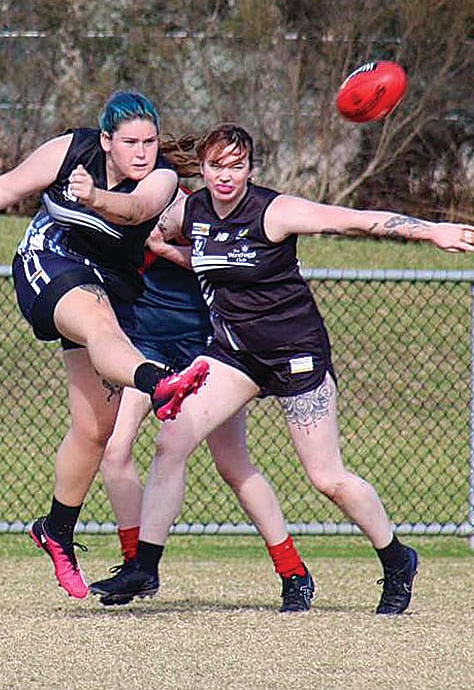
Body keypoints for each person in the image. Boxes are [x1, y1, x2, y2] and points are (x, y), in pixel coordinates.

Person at [88, 123, 474, 614]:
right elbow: (149, 228)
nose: (226, 176)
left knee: (327, 478)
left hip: (295, 354)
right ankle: (145, 566)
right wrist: (114, 219)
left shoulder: (274, 212)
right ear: (203, 170)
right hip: (235, 354)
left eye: (236, 166)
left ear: (251, 169)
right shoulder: (191, 211)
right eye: (216, 166)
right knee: (172, 441)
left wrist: (431, 231)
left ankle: (397, 558)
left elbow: (356, 221)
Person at [0, 90, 210, 600]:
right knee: (100, 327)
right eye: (130, 142)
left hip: (112, 283)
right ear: (105, 141)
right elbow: (4, 187)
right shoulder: (70, 150)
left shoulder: (163, 177)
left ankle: (56, 530)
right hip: (50, 259)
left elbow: (135, 211)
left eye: (149, 142)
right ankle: (158, 383)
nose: (142, 152)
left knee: (96, 428)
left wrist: (95, 197)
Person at [97, 188, 316, 612]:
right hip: (147, 348)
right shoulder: (125, 202)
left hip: (206, 348)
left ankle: (293, 571)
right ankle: (137, 567)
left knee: (233, 465)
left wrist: (164, 244)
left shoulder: (195, 207)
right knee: (115, 449)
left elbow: (225, 260)